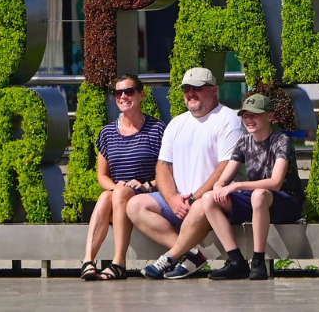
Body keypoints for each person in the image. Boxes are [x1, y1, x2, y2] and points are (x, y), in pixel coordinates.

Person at [127, 67, 245, 279]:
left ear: (214, 90)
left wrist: (194, 197)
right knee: (135, 205)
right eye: (186, 89)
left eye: (198, 88)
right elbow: (163, 166)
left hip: (213, 201)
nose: (191, 93)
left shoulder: (229, 120)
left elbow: (225, 167)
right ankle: (192, 254)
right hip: (181, 202)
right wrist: (172, 199)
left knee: (203, 204)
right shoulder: (176, 123)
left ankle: (171, 257)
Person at [204, 93, 304, 280]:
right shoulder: (243, 142)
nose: (249, 120)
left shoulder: (281, 141)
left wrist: (238, 186)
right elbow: (223, 179)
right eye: (246, 115)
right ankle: (236, 261)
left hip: (285, 202)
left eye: (255, 115)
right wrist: (218, 187)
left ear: (270, 117)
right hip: (257, 201)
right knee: (209, 199)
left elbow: (275, 183)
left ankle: (258, 261)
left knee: (258, 195)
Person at [80, 75, 166, 281]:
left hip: (148, 194)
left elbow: (169, 173)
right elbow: (102, 175)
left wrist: (147, 184)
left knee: (116, 194)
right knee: (105, 197)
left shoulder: (158, 129)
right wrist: (115, 187)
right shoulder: (107, 133)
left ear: (141, 94)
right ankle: (88, 260)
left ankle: (119, 261)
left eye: (129, 91)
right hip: (119, 195)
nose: (123, 96)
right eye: (118, 93)